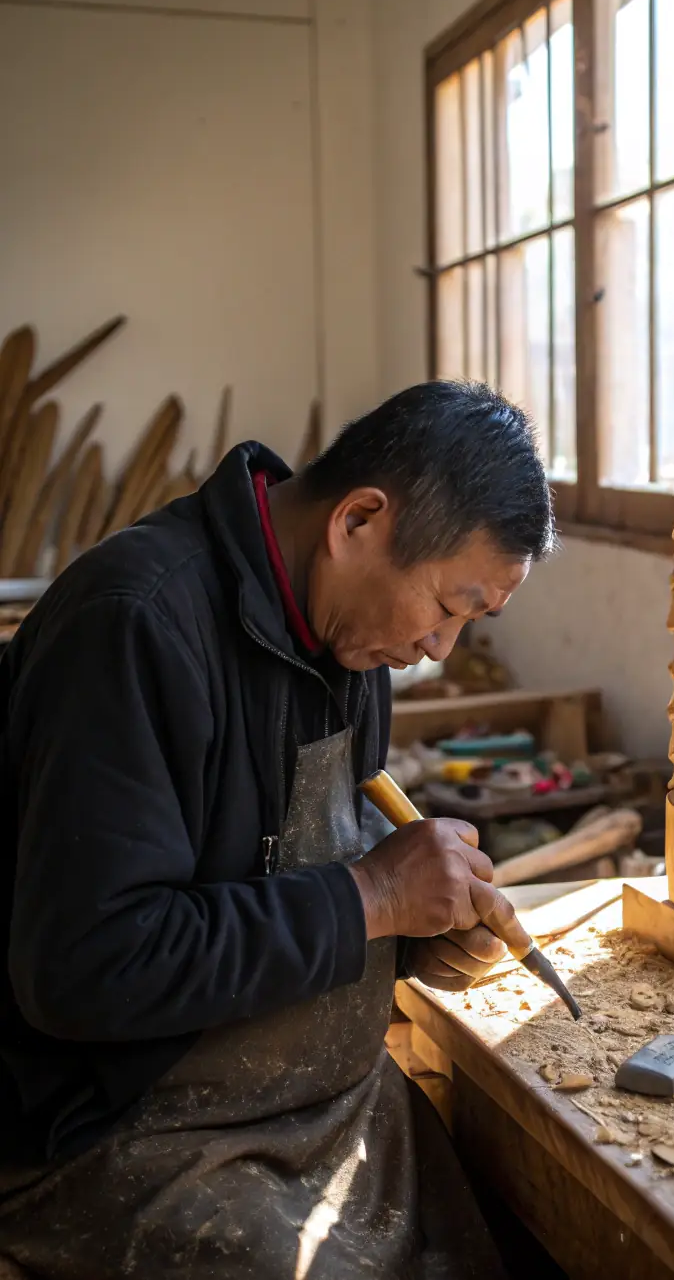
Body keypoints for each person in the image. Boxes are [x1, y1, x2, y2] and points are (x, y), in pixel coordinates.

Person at [0, 380, 555, 1279]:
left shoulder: (347, 632)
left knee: (516, 1231)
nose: (441, 648)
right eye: (447, 606)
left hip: (328, 1103)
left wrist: (415, 939)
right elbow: (86, 967)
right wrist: (372, 897)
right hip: (128, 1134)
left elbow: (278, 876)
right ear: (360, 520)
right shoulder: (134, 626)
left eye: (470, 621)